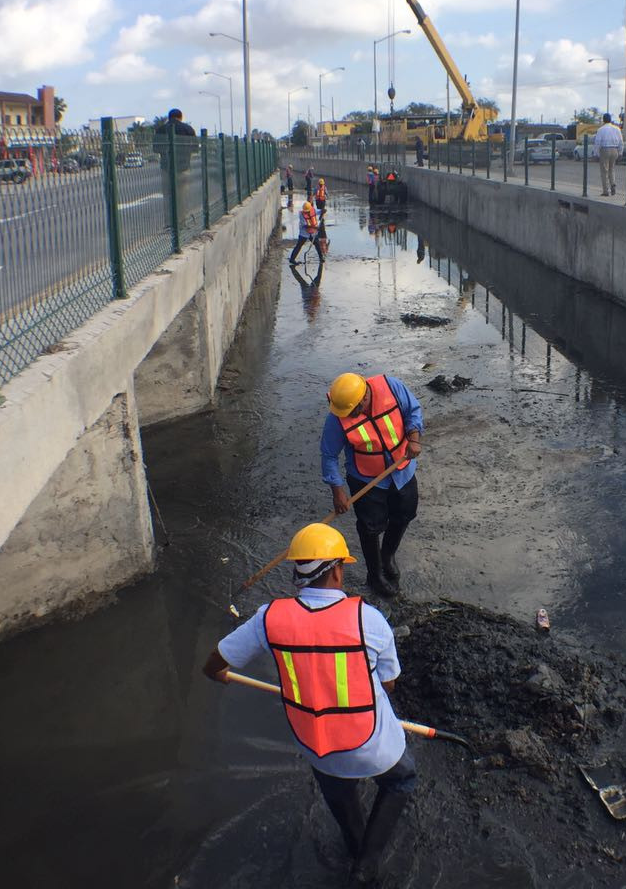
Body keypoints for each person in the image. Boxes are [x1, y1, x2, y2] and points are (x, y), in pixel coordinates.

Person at [202, 523, 415, 885]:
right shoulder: (368, 619)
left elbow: (214, 663)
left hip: (316, 743)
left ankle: (356, 847)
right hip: (370, 742)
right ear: (337, 570)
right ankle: (367, 865)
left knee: (339, 791)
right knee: (401, 778)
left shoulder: (269, 618)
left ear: (298, 571)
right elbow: (389, 683)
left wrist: (219, 675)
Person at [321, 372, 423, 598]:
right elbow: (328, 455)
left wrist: (414, 439)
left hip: (402, 469)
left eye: (352, 412)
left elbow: (412, 411)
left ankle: (388, 556)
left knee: (404, 515)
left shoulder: (391, 387)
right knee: (369, 528)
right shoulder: (337, 415)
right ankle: (374, 574)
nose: (348, 416)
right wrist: (337, 491)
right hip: (366, 479)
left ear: (364, 399)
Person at [153, 108, 197, 229]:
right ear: (181, 117)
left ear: (169, 117)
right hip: (183, 166)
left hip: (166, 167)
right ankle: (181, 223)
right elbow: (195, 148)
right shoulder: (188, 129)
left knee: (168, 196)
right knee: (181, 196)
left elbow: (156, 149)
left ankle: (169, 224)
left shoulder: (160, 130)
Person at [593, 112, 623, 197]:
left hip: (605, 149)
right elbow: (621, 141)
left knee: (604, 171)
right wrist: (620, 152)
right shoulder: (617, 129)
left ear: (603, 120)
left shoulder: (601, 129)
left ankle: (605, 190)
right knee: (612, 169)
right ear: (610, 120)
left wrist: (596, 153)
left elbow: (597, 142)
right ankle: (613, 184)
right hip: (615, 149)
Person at [289, 198, 320, 265]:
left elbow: (319, 211)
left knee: (317, 245)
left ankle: (321, 258)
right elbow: (305, 225)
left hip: (313, 233)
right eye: (306, 211)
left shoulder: (313, 210)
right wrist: (315, 227)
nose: (307, 212)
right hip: (304, 233)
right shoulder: (301, 214)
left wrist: (323, 211)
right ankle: (292, 259)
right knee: (299, 245)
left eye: (308, 211)